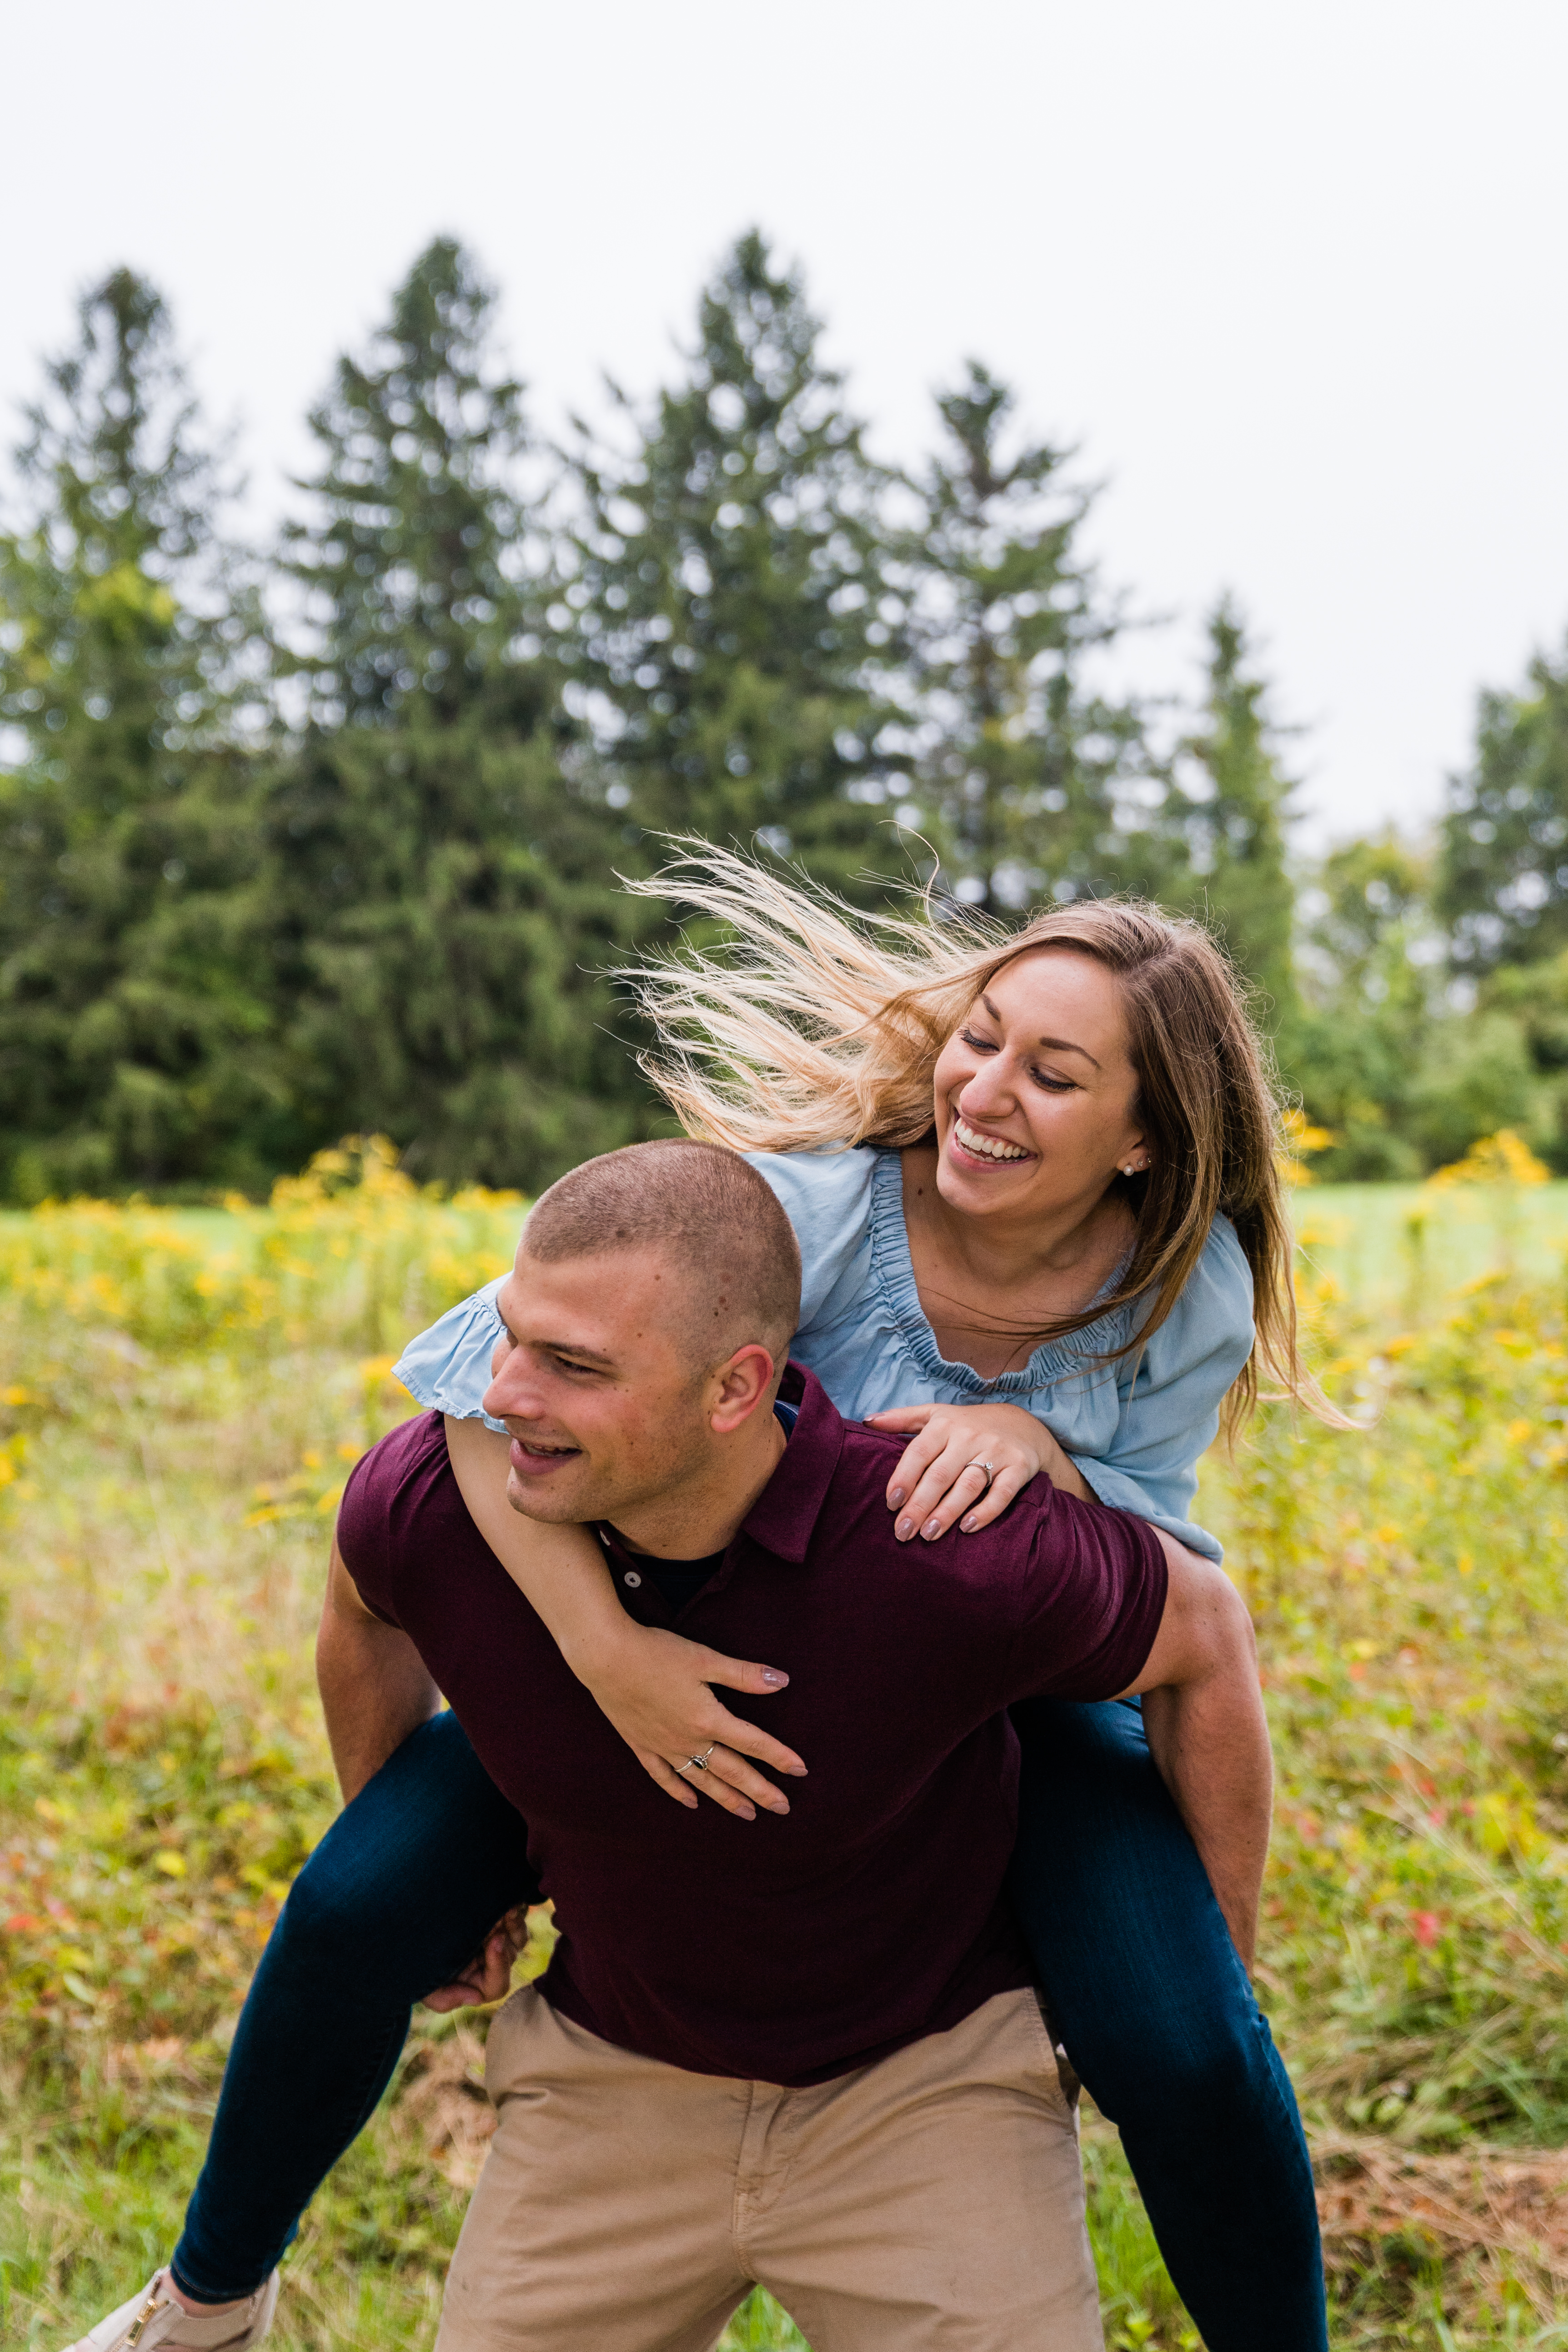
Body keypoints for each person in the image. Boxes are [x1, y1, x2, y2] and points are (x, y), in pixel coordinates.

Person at [72, 855, 1334, 2352]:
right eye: (980, 1036)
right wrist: (606, 1656)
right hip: (681, 1650)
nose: (984, 1089)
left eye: (1053, 1074)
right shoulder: (799, 1219)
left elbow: (1159, 1563)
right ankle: (208, 2301)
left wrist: (1044, 1447)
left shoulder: (1180, 1293)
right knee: (355, 1909)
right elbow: (483, 1399)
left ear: (1145, 1136)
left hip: (993, 1707)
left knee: (1190, 2051)